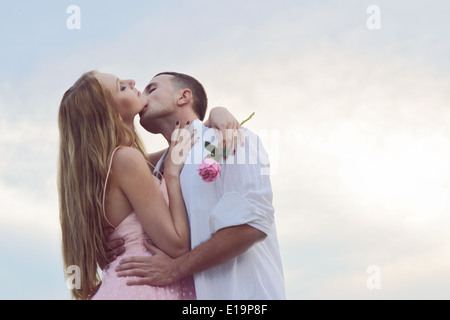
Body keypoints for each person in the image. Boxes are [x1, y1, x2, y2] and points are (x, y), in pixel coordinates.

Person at [58, 70, 241, 300]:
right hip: (144, 288)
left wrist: (216, 114)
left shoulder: (117, 164)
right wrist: (172, 175)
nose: (132, 81)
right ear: (112, 114)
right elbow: (176, 247)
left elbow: (187, 145)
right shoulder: (127, 160)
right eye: (121, 87)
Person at [110, 72, 286, 299]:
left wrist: (176, 268)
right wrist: (112, 243)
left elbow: (252, 225)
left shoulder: (229, 138)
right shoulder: (154, 170)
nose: (142, 96)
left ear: (183, 97)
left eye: (151, 89)